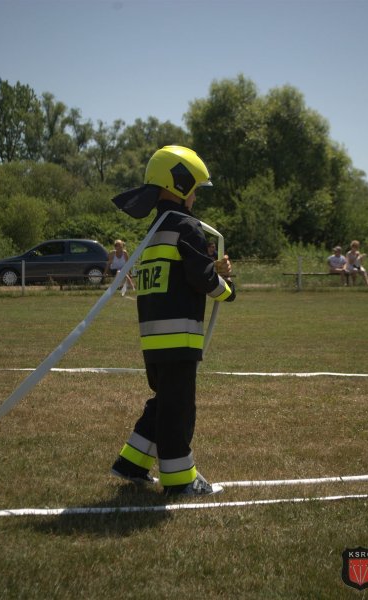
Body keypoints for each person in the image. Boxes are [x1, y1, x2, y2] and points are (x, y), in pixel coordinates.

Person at [110, 145, 236, 496]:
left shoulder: (156, 231)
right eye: (195, 189)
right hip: (178, 337)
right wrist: (228, 288)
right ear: (180, 184)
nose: (195, 197)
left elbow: (186, 271)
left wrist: (212, 267)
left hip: (154, 340)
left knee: (164, 402)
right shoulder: (187, 226)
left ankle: (132, 462)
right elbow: (202, 279)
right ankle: (181, 480)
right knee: (178, 410)